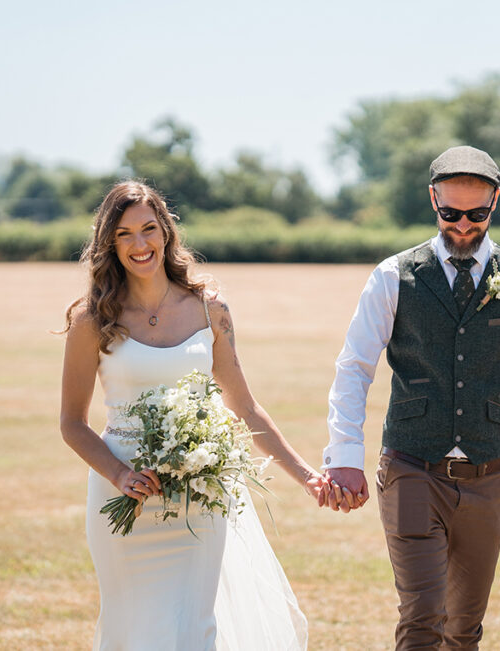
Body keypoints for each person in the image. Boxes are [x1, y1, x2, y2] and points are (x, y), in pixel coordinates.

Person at [321, 146, 500, 650]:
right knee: (424, 617)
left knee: (463, 629)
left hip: (488, 478)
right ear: (432, 200)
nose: (464, 226)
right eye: (451, 213)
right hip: (409, 468)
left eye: (477, 214)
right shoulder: (392, 277)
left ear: (496, 202)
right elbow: (354, 369)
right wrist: (343, 457)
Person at [59, 180, 325, 651]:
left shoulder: (210, 309)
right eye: (124, 234)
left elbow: (243, 406)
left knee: (193, 631)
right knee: (131, 630)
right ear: (108, 243)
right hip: (125, 502)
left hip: (200, 499)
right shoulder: (91, 319)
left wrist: (305, 475)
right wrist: (121, 475)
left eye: (148, 229)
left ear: (166, 230)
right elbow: (72, 423)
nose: (140, 245)